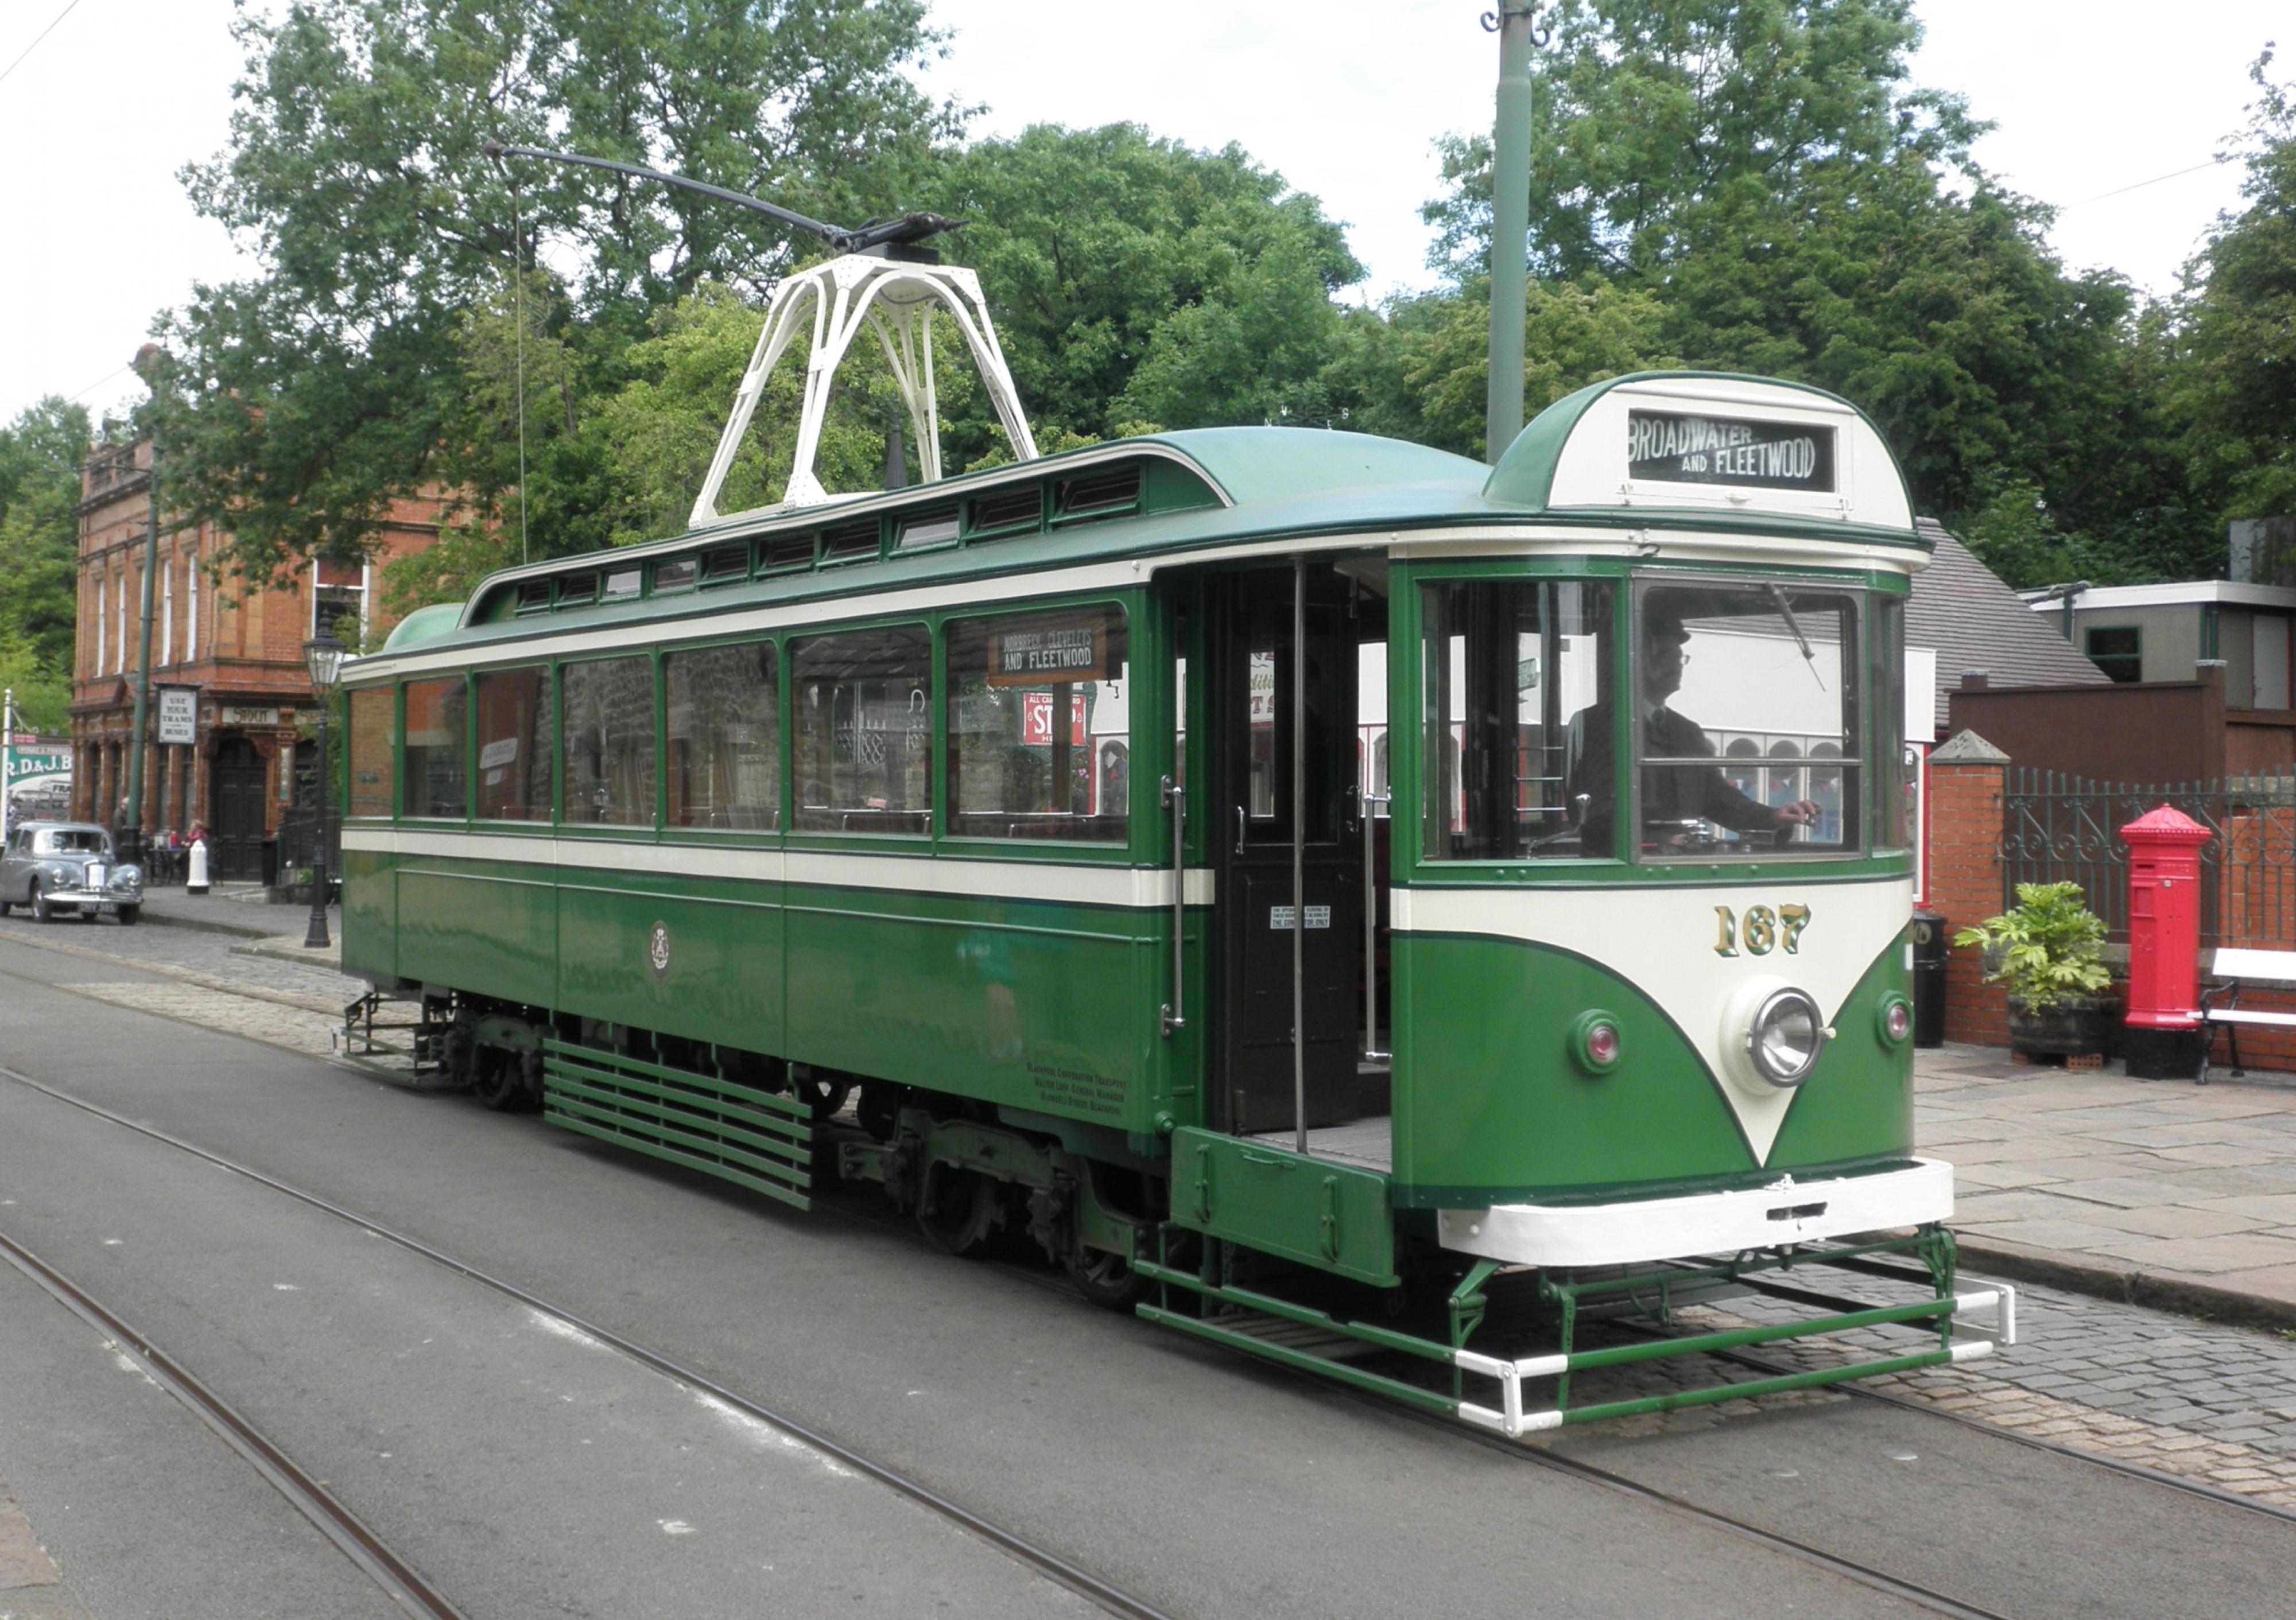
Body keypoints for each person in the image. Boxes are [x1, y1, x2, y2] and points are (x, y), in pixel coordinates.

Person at [1569, 603, 1820, 852]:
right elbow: (1594, 812)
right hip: (1622, 865)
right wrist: (1658, 841)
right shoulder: (1595, 724)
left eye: (1679, 658)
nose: (1677, 665)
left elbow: (1719, 799)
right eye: (1665, 656)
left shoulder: (1686, 731)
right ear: (1637, 661)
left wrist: (1774, 817)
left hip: (1680, 862)